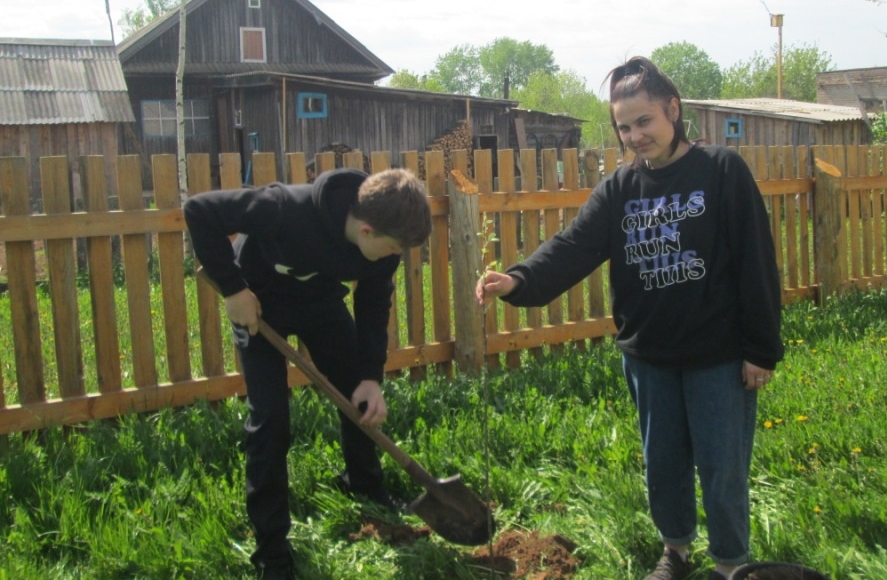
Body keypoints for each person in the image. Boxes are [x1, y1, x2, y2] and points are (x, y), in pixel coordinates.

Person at [476, 57, 783, 580]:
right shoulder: (620, 190)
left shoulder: (721, 171)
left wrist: (760, 349)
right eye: (624, 126)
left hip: (718, 354)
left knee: (721, 465)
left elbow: (757, 261)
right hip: (649, 355)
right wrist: (520, 280)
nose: (635, 135)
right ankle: (676, 552)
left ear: (673, 110)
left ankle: (732, 563)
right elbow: (573, 247)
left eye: (644, 121)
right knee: (662, 464)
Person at [184, 166, 432, 580]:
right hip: (259, 306)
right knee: (271, 422)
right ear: (367, 231)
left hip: (320, 303)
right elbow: (199, 210)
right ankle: (271, 550)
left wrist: (370, 376)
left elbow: (373, 305)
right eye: (391, 249)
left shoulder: (382, 246)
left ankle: (364, 484)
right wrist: (233, 289)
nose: (394, 257)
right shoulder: (283, 208)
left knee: (358, 395)